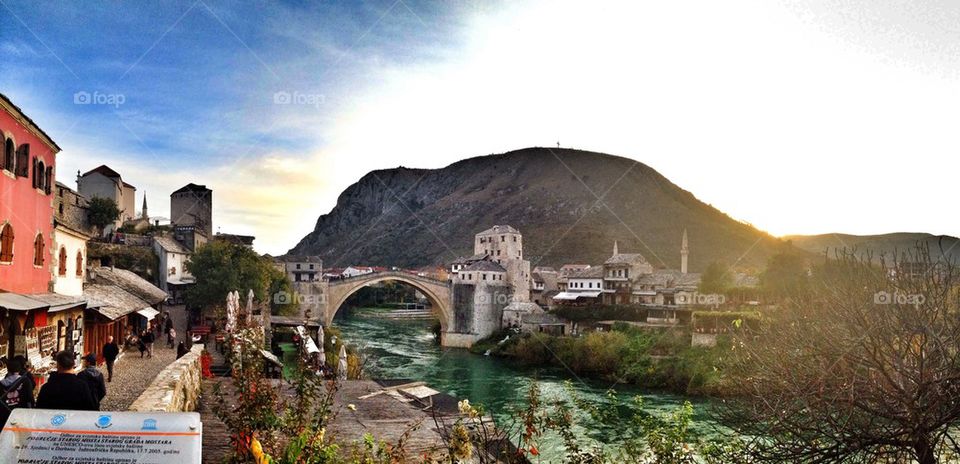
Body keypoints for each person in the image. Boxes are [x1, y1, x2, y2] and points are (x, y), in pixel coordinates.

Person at [0, 357, 34, 428]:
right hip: (21, 414)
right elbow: (30, 398)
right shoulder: (26, 381)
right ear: (19, 370)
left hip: (5, 416)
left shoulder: (1, 384)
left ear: (8, 370)